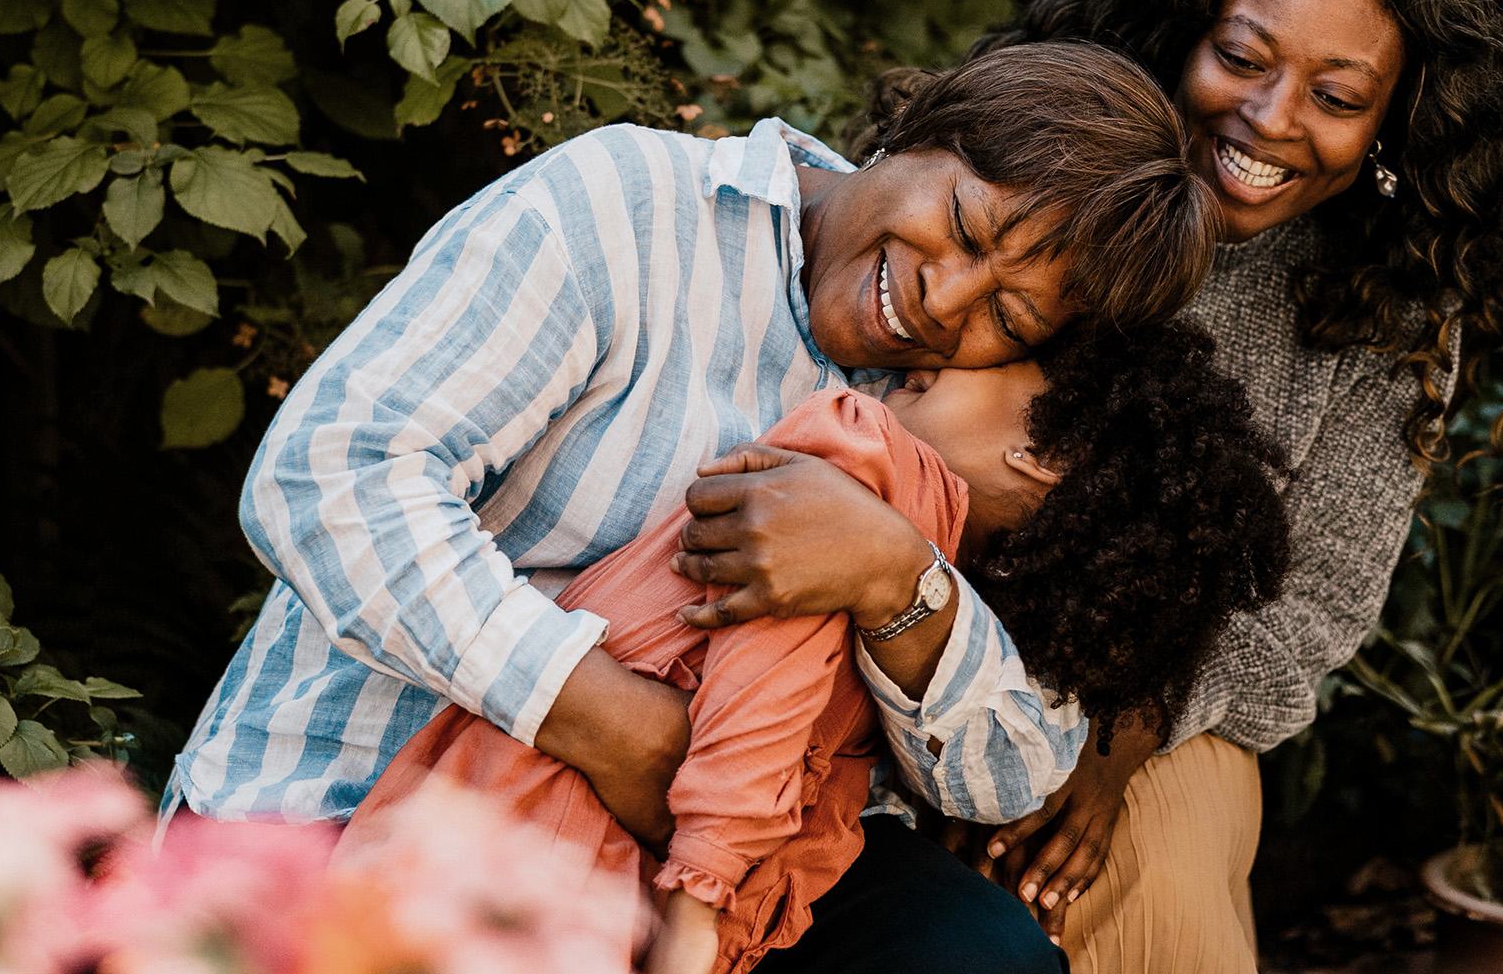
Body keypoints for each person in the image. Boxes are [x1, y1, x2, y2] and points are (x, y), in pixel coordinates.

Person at [672, 0, 1503, 974]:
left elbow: (1312, 613)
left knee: (1136, 886)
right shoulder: (1033, 163)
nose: (1272, 116)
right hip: (872, 636)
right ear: (1180, 24)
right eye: (1241, 57)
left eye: (1337, 96)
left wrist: (1119, 737)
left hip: (1158, 704)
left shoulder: (1387, 306)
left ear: (1399, 121)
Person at [165, 40, 1220, 974]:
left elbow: (1013, 770)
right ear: (922, 129)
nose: (943, 299)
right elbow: (331, 475)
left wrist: (898, 581)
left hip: (723, 864)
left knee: (974, 952)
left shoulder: (954, 427)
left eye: (1009, 315)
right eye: (960, 227)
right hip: (376, 794)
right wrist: (616, 729)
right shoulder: (629, 206)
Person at [337, 324, 1290, 974]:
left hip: (578, 831)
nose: (952, 346)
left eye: (1009, 358)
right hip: (569, 821)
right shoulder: (857, 452)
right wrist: (699, 912)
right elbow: (763, 687)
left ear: (1044, 453)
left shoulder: (904, 506)